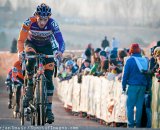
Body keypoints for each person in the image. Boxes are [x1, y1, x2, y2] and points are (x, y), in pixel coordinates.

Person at [17, 3, 65, 123]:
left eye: (45, 19)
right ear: (36, 16)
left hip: (46, 46)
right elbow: (21, 40)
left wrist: (60, 51)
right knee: (31, 59)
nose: (42, 22)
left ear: (48, 18)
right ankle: (30, 87)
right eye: (40, 19)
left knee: (49, 77)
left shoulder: (52, 23)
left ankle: (48, 110)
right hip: (31, 44)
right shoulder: (29, 22)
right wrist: (21, 52)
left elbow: (61, 41)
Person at [122, 43, 149, 128]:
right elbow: (147, 74)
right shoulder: (144, 60)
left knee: (130, 106)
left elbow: (125, 74)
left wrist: (123, 85)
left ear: (131, 51)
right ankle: (138, 124)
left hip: (132, 86)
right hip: (142, 86)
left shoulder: (130, 60)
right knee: (139, 106)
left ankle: (130, 124)